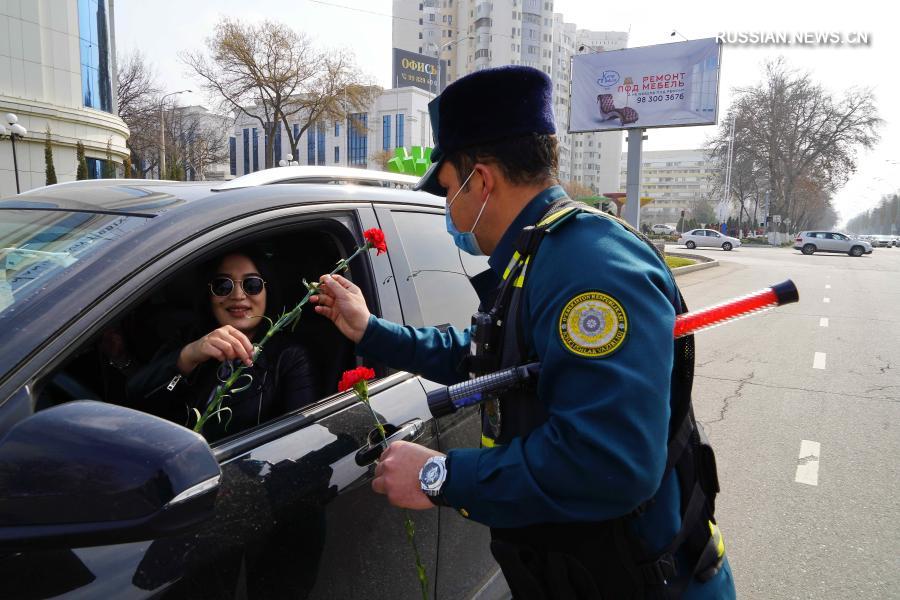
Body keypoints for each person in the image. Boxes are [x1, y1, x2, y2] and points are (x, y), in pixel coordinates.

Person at [312, 66, 735, 598]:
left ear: (481, 180)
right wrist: (370, 329)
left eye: (447, 190)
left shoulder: (588, 266)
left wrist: (440, 477)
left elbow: (608, 464)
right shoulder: (538, 256)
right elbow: (480, 354)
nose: (448, 209)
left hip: (642, 583)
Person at [128, 249, 317, 442]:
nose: (237, 295)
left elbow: (301, 441)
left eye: (251, 284)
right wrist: (188, 357)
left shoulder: (288, 358)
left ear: (268, 291)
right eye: (222, 285)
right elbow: (133, 403)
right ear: (209, 294)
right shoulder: (191, 337)